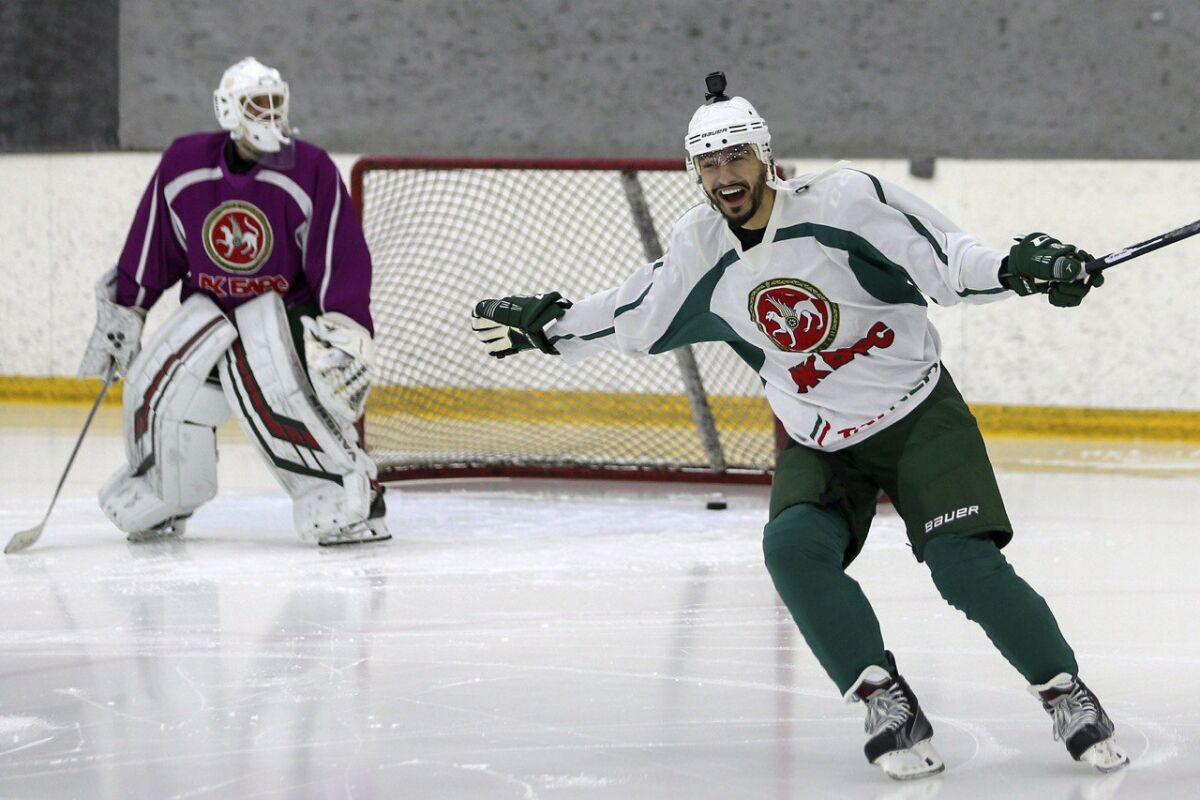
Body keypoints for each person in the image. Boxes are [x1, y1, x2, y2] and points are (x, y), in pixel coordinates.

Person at [470, 72, 1126, 780]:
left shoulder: (846, 203)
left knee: (962, 566)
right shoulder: (701, 250)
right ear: (694, 174)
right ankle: (883, 697)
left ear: (766, 156)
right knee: (791, 549)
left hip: (917, 416)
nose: (727, 176)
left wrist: (1022, 267)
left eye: (737, 158)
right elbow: (632, 317)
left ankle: (1064, 691)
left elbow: (949, 264)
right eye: (710, 165)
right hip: (820, 442)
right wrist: (552, 327)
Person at [78, 56, 389, 547]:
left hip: (283, 317)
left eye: (274, 103)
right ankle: (163, 495)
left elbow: (340, 256)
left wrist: (345, 327)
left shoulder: (308, 168)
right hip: (208, 317)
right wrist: (126, 311)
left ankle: (347, 497)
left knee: (277, 394)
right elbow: (154, 244)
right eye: (255, 104)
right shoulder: (184, 165)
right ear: (227, 109)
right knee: (155, 391)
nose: (268, 115)